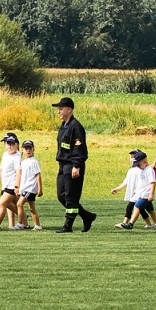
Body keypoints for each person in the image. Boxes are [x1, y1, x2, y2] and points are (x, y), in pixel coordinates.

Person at [54, 97, 96, 232]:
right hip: (63, 164)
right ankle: (86, 216)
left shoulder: (75, 126)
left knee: (71, 196)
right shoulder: (63, 126)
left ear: (69, 110)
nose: (59, 111)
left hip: (72, 165)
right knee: (61, 195)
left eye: (61, 109)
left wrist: (76, 165)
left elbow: (79, 147)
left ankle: (68, 226)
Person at [113, 149, 156, 229]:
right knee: (150, 210)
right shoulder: (142, 170)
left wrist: (151, 194)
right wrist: (136, 190)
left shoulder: (149, 170)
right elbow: (141, 183)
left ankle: (130, 224)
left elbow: (153, 182)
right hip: (141, 194)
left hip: (145, 195)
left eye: (138, 165)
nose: (137, 166)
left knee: (137, 207)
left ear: (145, 161)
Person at [18, 140, 43, 230]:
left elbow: (38, 175)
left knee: (19, 204)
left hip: (30, 188)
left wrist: (40, 189)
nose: (28, 150)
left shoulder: (34, 162)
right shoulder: (23, 162)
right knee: (32, 208)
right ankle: (37, 225)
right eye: (26, 148)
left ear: (33, 149)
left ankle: (20, 223)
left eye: (30, 148)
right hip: (25, 188)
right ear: (22, 150)